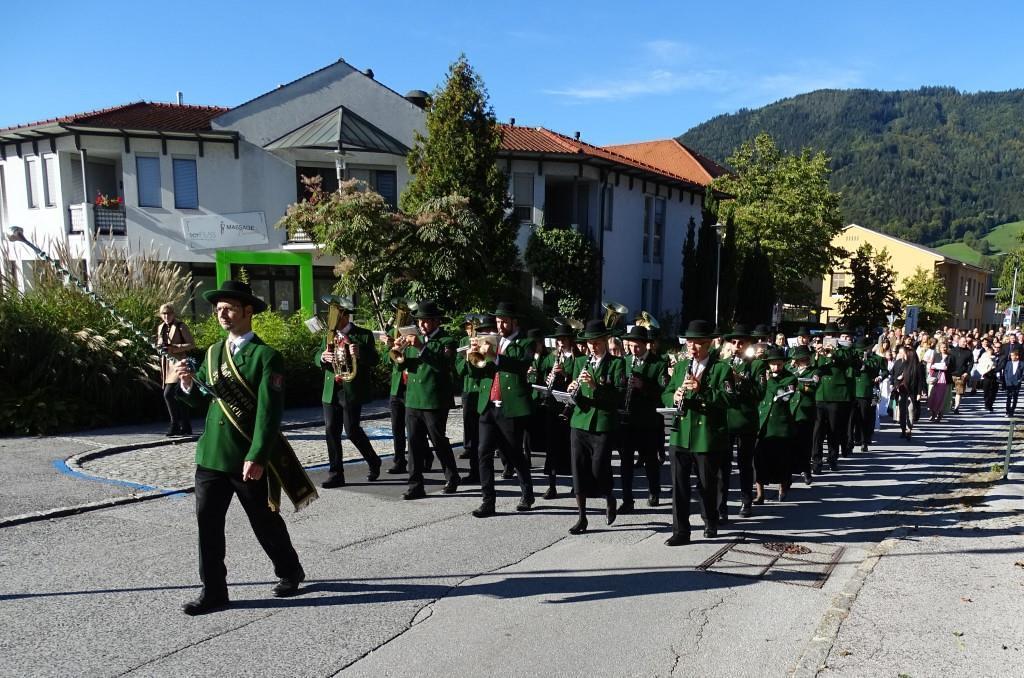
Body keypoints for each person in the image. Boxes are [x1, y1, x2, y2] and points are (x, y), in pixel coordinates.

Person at [175, 280, 305, 616]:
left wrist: (258, 455)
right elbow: (205, 398)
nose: (222, 315)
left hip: (246, 456)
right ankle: (214, 591)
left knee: (264, 521)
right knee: (207, 525)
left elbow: (268, 413)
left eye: (229, 309)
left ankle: (290, 570)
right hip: (212, 455)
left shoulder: (266, 357)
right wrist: (187, 384)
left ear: (248, 311)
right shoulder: (213, 353)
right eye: (219, 309)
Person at [662, 320, 736, 546]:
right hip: (680, 434)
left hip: (705, 436)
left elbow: (729, 399)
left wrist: (702, 390)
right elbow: (666, 392)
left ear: (709, 344)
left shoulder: (721, 369)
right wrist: (673, 396)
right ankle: (681, 531)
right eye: (689, 343)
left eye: (697, 343)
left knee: (707, 484)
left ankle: (710, 520)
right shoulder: (681, 366)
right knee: (679, 486)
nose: (692, 347)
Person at [467, 302, 536, 517]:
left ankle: (527, 493)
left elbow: (521, 365)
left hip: (509, 406)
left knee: (514, 452)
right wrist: (472, 356)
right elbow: (477, 373)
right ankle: (488, 501)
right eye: (498, 321)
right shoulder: (489, 340)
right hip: (488, 405)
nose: (500, 325)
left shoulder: (525, 342)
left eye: (504, 321)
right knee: (483, 452)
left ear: (514, 322)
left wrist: (495, 356)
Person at [395, 300, 461, 500]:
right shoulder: (413, 340)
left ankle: (452, 475)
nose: (421, 325)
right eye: (419, 321)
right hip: (413, 398)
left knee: (438, 440)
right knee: (414, 443)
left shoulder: (447, 341)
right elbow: (401, 366)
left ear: (436, 321)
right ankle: (415, 485)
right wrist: (397, 351)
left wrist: (421, 347)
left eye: (425, 321)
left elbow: (444, 365)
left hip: (434, 399)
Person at [565, 319, 626, 535]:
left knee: (599, 468)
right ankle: (582, 517)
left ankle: (609, 496)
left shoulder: (617, 363)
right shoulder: (581, 362)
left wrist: (595, 386)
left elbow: (619, 397)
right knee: (578, 469)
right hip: (579, 422)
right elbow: (577, 394)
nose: (593, 347)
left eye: (597, 342)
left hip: (602, 423)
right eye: (590, 343)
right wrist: (572, 391)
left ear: (605, 341)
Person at [316, 296, 383, 488]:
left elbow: (375, 359)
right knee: (331, 430)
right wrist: (322, 357)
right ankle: (336, 473)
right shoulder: (329, 335)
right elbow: (317, 353)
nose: (331, 318)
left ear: (344, 316)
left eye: (335, 314)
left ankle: (373, 460)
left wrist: (360, 353)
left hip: (351, 389)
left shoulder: (363, 334)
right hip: (331, 389)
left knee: (352, 430)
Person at [617, 325, 668, 512]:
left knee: (650, 460)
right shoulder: (625, 361)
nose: (634, 349)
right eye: (631, 345)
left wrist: (643, 386)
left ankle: (654, 491)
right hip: (627, 419)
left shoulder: (658, 363)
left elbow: (664, 392)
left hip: (648, 420)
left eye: (637, 346)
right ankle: (627, 499)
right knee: (626, 461)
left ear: (646, 344)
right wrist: (622, 384)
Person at [719, 324, 761, 519]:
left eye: (741, 342)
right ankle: (721, 506)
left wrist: (741, 380)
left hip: (745, 421)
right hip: (726, 420)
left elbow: (760, 393)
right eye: (734, 342)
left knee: (745, 464)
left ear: (748, 344)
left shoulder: (757, 365)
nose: (737, 346)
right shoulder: (723, 363)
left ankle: (746, 501)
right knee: (723, 466)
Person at [539, 322, 578, 499]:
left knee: (571, 446)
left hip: (570, 407)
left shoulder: (578, 358)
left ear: (570, 340)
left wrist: (564, 375)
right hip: (553, 405)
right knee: (552, 446)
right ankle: (552, 485)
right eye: (558, 340)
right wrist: (548, 377)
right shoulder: (552, 357)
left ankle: (576, 483)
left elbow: (578, 380)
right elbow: (541, 373)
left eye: (564, 339)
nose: (561, 342)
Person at [755, 348, 798, 502]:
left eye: (779, 364)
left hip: (780, 425)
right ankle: (760, 493)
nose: (776, 367)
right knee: (759, 461)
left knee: (782, 460)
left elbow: (783, 396)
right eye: (773, 364)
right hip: (763, 422)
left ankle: (783, 487)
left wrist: (771, 381)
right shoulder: (762, 376)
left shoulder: (790, 378)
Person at [455, 314, 493, 485]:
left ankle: (507, 464)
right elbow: (458, 369)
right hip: (469, 390)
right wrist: (467, 358)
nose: (472, 330)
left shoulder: (488, 342)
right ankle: (475, 471)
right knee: (472, 431)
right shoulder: (464, 342)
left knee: (491, 433)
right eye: (470, 327)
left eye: (475, 327)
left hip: (484, 390)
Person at [812, 324, 853, 472]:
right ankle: (816, 461)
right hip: (820, 394)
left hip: (836, 395)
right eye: (827, 335)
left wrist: (833, 352)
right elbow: (812, 367)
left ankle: (832, 458)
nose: (829, 337)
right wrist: (816, 355)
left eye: (832, 335)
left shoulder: (844, 350)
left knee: (833, 430)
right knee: (817, 431)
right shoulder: (818, 348)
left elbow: (847, 360)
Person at [156, 303, 194, 436]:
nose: (166, 316)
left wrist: (174, 348)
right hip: (167, 364)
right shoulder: (161, 327)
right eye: (164, 314)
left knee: (168, 394)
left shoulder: (180, 326)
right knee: (178, 396)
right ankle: (186, 425)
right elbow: (160, 344)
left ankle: (174, 424)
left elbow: (191, 344)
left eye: (169, 313)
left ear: (173, 314)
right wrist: (160, 347)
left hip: (179, 363)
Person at [787, 346, 819, 485]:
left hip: (804, 410)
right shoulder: (790, 370)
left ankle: (805, 470)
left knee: (805, 443)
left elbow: (812, 387)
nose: (805, 360)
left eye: (806, 358)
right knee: (790, 444)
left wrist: (796, 383)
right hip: (790, 409)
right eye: (802, 358)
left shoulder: (814, 371)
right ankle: (788, 473)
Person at [850, 338, 888, 452]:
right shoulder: (853, 358)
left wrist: (880, 377)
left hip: (870, 391)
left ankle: (865, 440)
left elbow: (885, 371)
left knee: (868, 416)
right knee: (853, 418)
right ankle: (853, 439)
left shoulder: (878, 359)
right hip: (854, 391)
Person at [890, 345, 926, 440]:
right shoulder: (903, 364)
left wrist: (919, 393)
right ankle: (903, 429)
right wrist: (898, 381)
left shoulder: (918, 366)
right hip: (902, 390)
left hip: (912, 391)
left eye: (905, 354)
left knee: (910, 410)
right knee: (902, 411)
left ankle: (909, 429)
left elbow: (921, 381)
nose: (904, 356)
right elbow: (896, 376)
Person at [978, 344, 999, 412]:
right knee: (986, 391)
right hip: (986, 376)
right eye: (988, 352)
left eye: (991, 352)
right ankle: (987, 405)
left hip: (993, 375)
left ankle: (990, 405)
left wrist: (992, 364)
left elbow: (995, 365)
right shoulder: (984, 357)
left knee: (992, 392)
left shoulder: (995, 357)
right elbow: (980, 364)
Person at [1004, 346, 1024, 417]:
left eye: (1013, 355)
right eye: (1011, 355)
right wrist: (1006, 380)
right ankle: (1007, 411)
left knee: (1015, 397)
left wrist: (1020, 380)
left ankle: (1012, 410)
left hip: (1017, 382)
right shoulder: (1008, 363)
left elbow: (1023, 374)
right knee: (1009, 397)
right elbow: (1005, 372)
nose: (1011, 357)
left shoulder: (1022, 363)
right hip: (1009, 382)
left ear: (1017, 356)